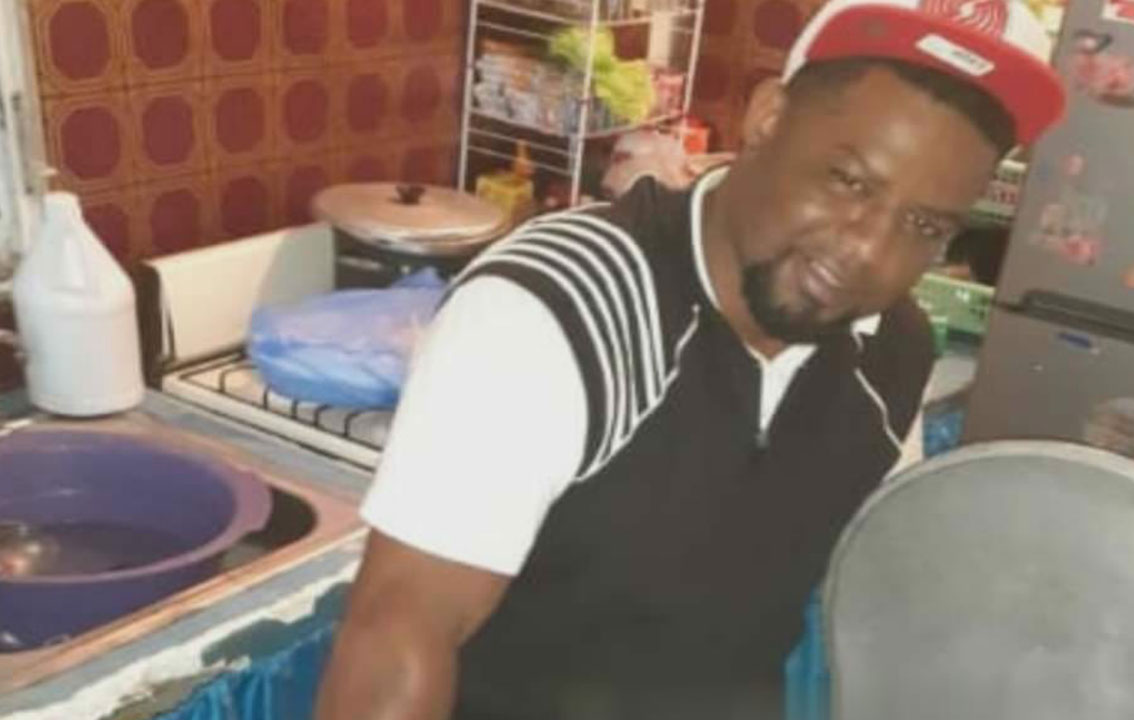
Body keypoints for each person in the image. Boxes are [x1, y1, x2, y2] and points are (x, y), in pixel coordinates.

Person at [316, 1, 1065, 718]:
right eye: (848, 182)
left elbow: (881, 584)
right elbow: (397, 640)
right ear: (768, 118)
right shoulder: (557, 310)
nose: (869, 251)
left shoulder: (891, 349)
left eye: (924, 225)